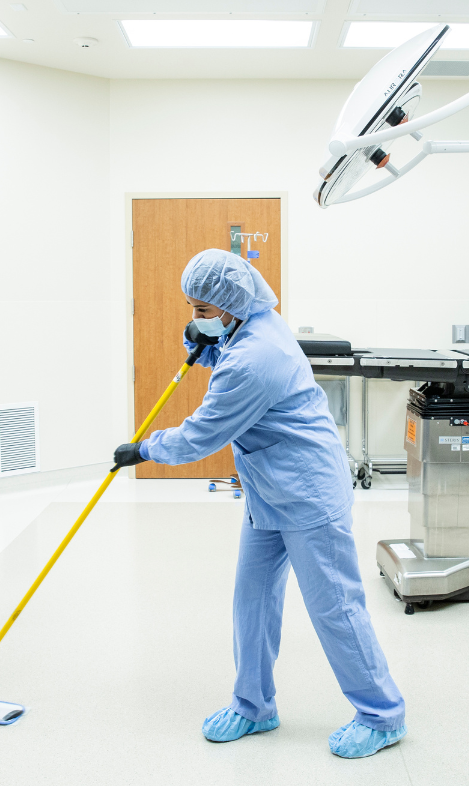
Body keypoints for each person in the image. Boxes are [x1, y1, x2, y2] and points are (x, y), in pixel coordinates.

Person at [112, 249, 406, 759]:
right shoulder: (249, 323)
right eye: (193, 309)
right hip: (269, 490)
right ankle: (254, 706)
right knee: (252, 602)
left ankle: (382, 714)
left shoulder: (256, 357)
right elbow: (229, 354)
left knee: (335, 606)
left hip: (307, 492)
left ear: (230, 303)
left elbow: (203, 434)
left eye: (203, 311)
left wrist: (144, 449)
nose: (196, 318)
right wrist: (207, 346)